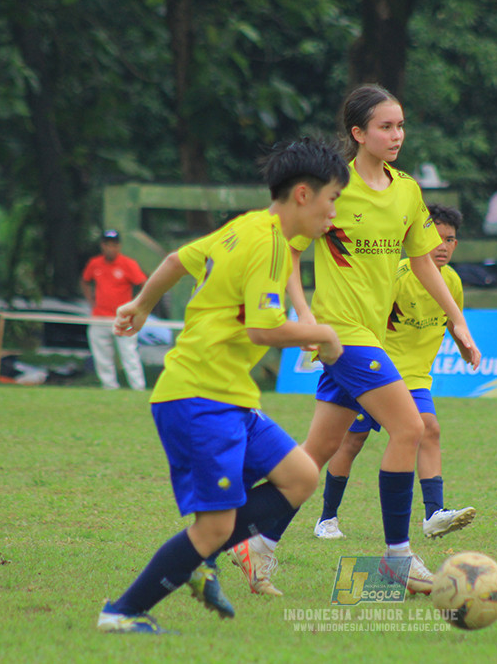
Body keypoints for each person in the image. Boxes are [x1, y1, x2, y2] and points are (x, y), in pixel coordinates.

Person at [228, 84, 481, 598]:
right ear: (357, 133)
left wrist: (457, 320)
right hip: (341, 332)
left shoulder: (407, 190)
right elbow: (289, 251)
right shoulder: (331, 188)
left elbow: (421, 262)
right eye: (386, 127)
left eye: (401, 125)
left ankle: (255, 543)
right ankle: (399, 560)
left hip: (371, 334)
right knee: (409, 425)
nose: (397, 135)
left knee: (314, 453)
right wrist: (305, 317)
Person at [97, 139, 347, 634]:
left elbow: (174, 259)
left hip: (229, 397)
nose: (333, 211)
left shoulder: (247, 226)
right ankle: (122, 613)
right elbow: (263, 329)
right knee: (212, 527)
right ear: (303, 194)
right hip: (199, 398)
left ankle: (203, 552)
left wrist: (142, 304)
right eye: (332, 198)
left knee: (300, 476)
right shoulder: (268, 244)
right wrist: (322, 333)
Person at [314, 204, 476, 541]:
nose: (443, 246)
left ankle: (433, 514)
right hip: (375, 372)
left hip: (414, 377)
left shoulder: (452, 282)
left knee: (428, 430)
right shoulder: (398, 277)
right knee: (350, 442)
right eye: (436, 238)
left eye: (450, 239)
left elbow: (453, 320)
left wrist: (466, 347)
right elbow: (368, 319)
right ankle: (327, 518)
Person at [81, 230, 148, 391]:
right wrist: (91, 301)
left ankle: (138, 387)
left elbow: (143, 284)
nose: (110, 249)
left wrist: (136, 305)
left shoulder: (128, 264)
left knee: (129, 354)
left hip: (122, 317)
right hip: (99, 316)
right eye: (107, 245)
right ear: (102, 246)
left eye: (114, 245)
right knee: (102, 355)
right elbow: (85, 280)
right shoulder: (95, 263)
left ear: (119, 246)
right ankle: (109, 386)